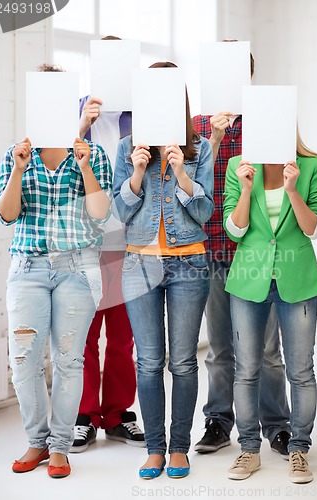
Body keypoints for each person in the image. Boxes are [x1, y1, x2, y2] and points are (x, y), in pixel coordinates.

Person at [113, 61, 214, 479]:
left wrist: (180, 173)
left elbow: (206, 212)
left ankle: (178, 448)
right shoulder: (125, 148)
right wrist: (138, 172)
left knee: (184, 362)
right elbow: (120, 211)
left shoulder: (200, 148)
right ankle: (155, 448)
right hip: (139, 263)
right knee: (149, 361)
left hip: (189, 262)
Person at [192, 43, 291, 459]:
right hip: (214, 248)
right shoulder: (195, 125)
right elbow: (194, 184)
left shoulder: (266, 120)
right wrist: (212, 136)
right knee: (219, 348)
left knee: (268, 350)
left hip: (255, 255)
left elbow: (280, 182)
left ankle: (278, 425)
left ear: (248, 77)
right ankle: (218, 421)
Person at [0, 128, 112, 478]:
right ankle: (37, 441)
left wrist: (86, 167)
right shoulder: (17, 154)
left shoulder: (92, 153)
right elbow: (6, 214)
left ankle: (60, 446)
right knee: (24, 362)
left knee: (68, 360)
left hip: (77, 267)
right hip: (27, 267)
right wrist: (18, 169)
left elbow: (102, 214)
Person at [224, 132, 317, 483]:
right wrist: (248, 189)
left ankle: (299, 449)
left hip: (296, 280)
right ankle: (249, 449)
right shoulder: (239, 167)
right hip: (248, 280)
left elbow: (313, 229)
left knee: (300, 370)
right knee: (247, 368)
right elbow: (235, 230)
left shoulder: (310, 166)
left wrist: (293, 190)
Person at [70, 35, 145, 453]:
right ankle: (83, 415)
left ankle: (117, 414)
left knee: (122, 336)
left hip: (125, 241)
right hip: (82, 242)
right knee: (83, 333)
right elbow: (55, 170)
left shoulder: (143, 116)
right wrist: (78, 127)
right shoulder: (76, 109)